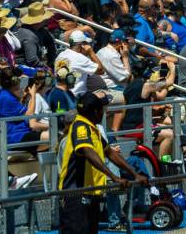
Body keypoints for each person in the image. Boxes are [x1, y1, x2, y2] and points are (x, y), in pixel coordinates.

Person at [58, 92, 147, 234]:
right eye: (102, 110)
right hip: (74, 195)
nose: (104, 114)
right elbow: (88, 152)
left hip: (90, 194)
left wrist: (134, 174)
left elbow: (110, 153)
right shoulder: (80, 127)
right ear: (96, 111)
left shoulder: (93, 129)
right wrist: (114, 176)